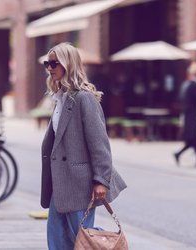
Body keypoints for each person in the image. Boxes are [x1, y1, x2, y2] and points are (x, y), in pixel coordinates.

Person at [40, 42, 127, 249]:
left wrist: (100, 180)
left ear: (68, 64)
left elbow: (100, 144)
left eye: (54, 63)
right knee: (57, 239)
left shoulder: (84, 99)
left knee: (82, 240)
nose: (50, 68)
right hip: (59, 184)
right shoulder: (60, 98)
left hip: (80, 185)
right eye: (47, 63)